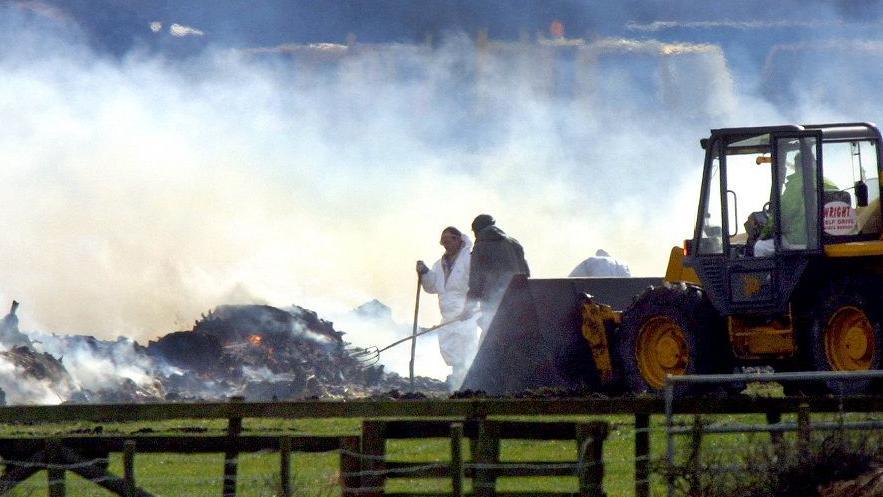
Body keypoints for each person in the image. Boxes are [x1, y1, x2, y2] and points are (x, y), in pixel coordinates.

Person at [416, 227, 478, 390]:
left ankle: (469, 385)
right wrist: (425, 272)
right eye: (443, 243)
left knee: (467, 350)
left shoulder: (469, 260)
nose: (446, 245)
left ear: (458, 240)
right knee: (453, 352)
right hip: (448, 315)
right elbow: (431, 287)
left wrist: (470, 307)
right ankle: (458, 384)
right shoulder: (439, 264)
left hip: (465, 313)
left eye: (448, 241)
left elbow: (476, 285)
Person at [463, 214, 530, 337]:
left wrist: (468, 308)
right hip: (519, 301)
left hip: (493, 303)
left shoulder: (480, 246)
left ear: (477, 230)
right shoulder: (514, 243)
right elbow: (526, 273)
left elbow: (476, 281)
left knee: (493, 341)